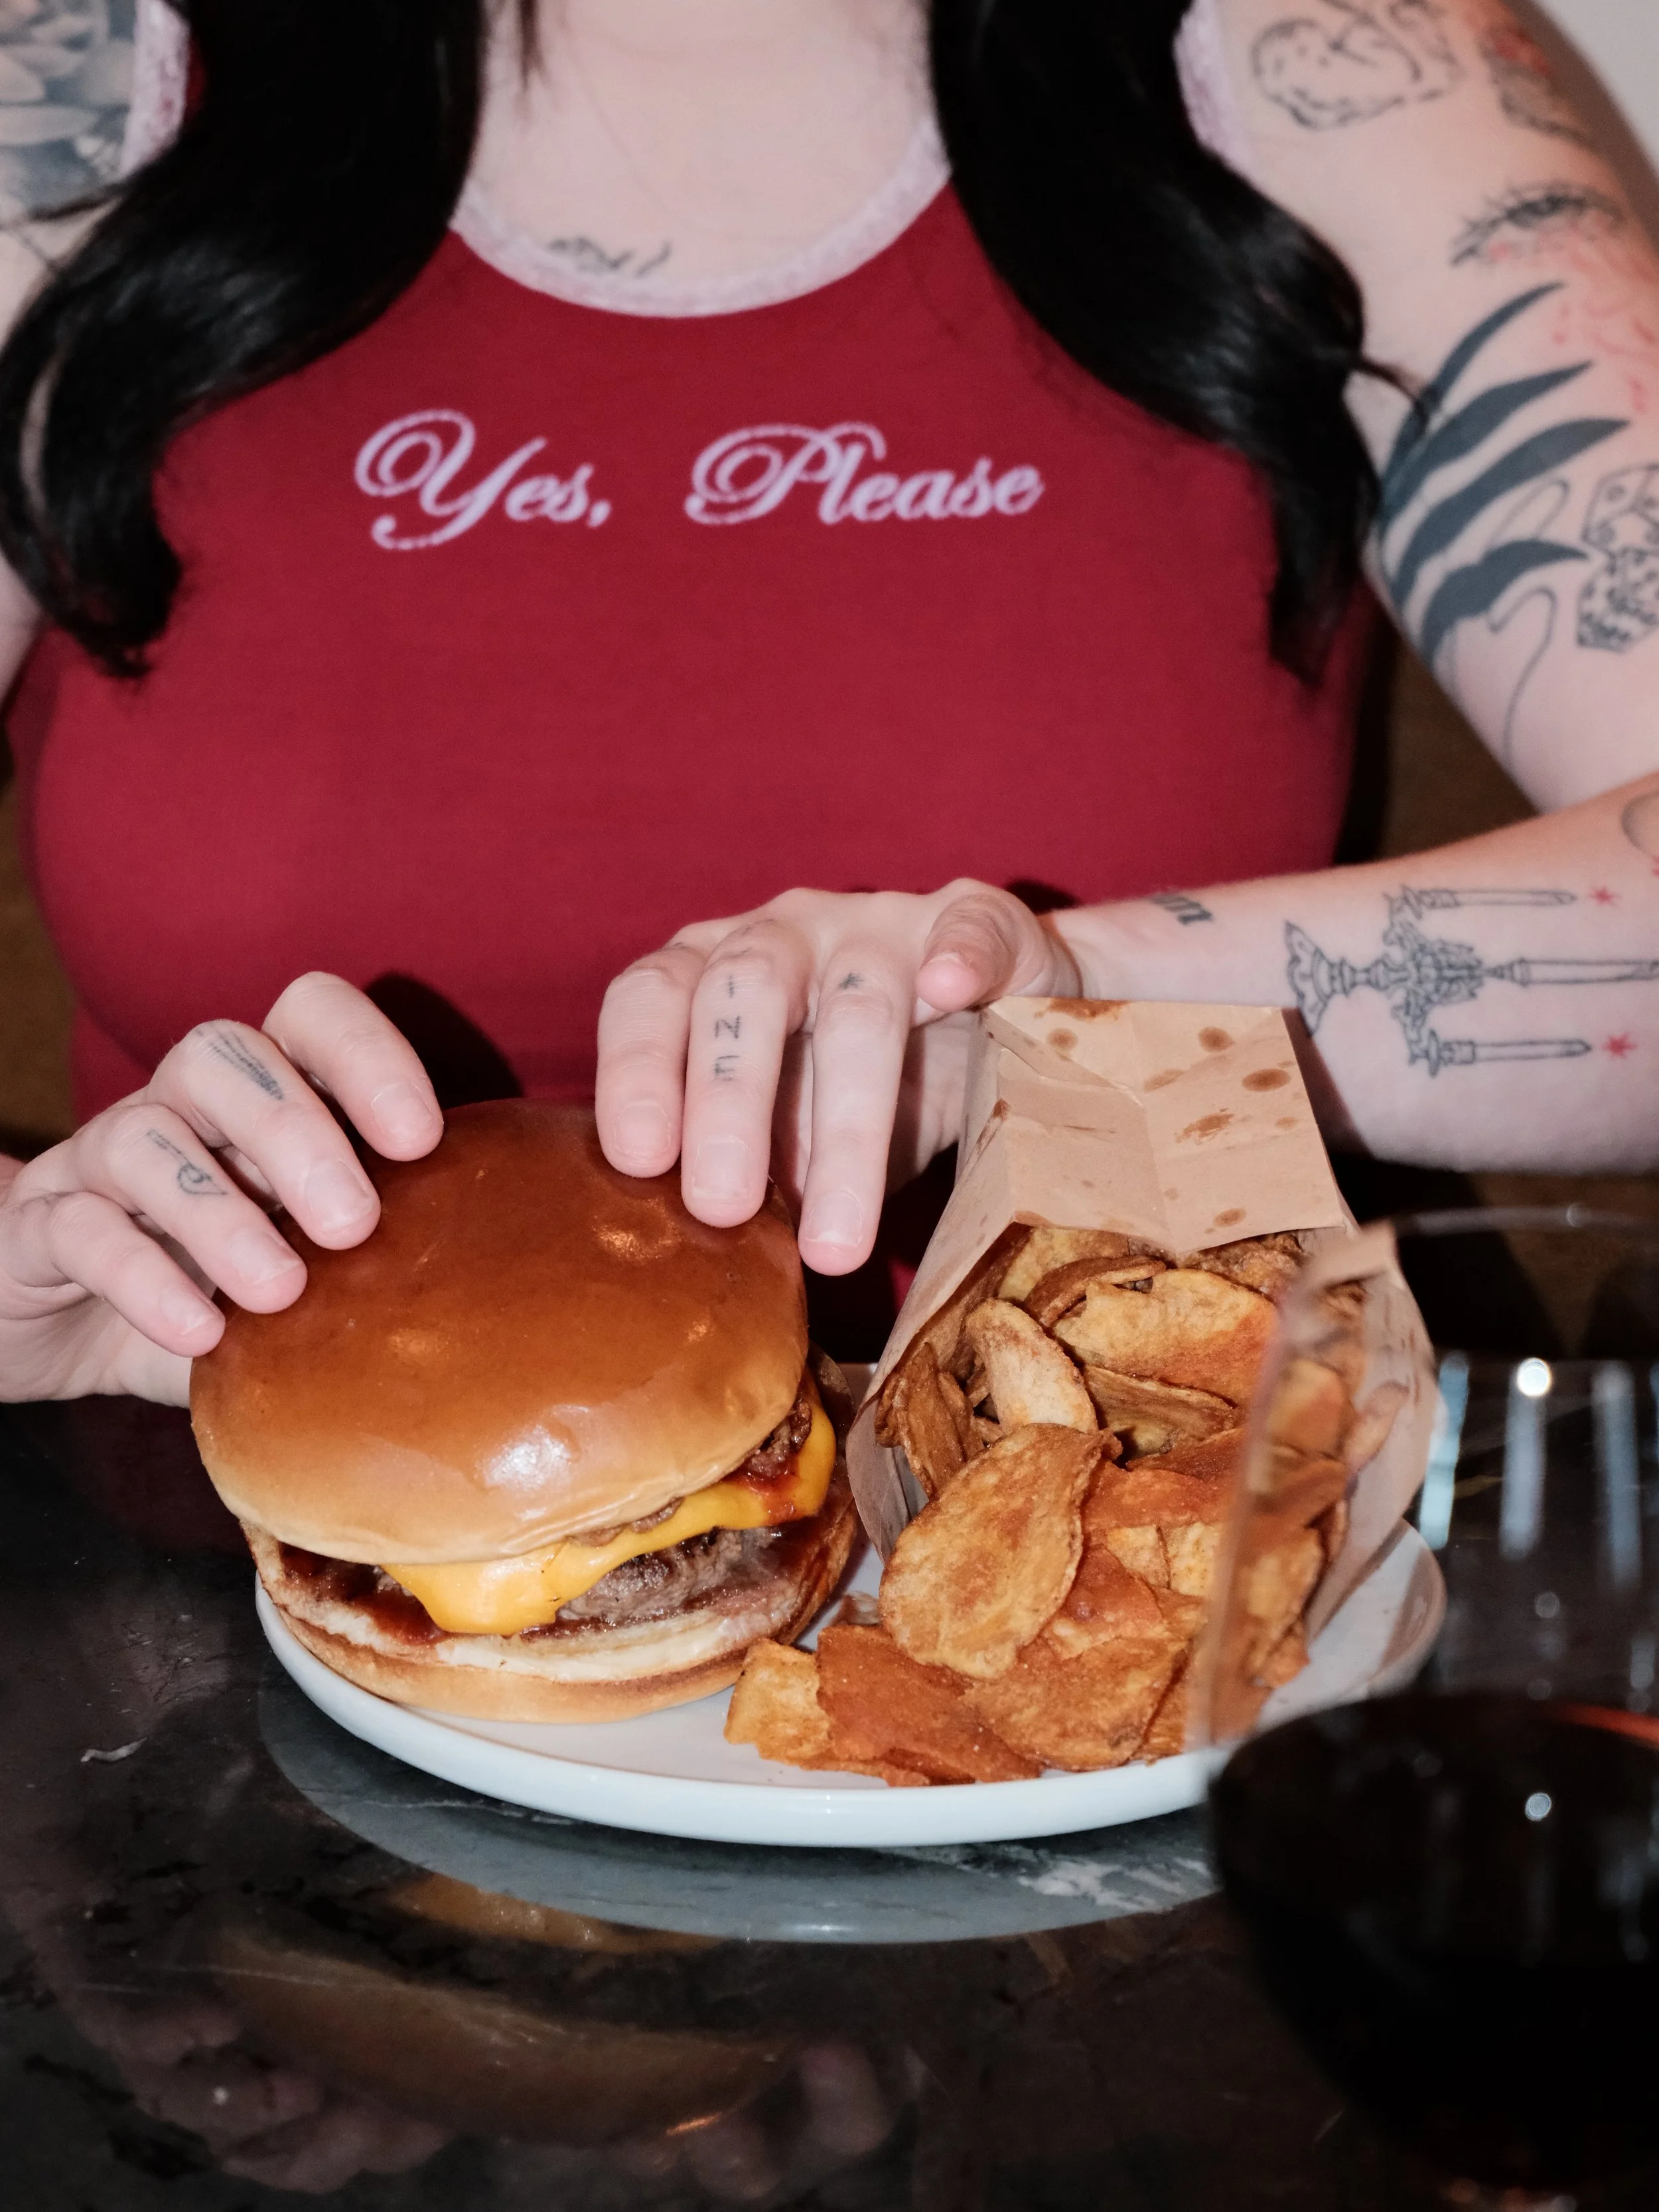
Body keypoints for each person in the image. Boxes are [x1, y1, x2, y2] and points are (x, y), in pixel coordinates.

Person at [0, 0, 1654, 1404]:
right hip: (215, 1576)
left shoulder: (1334, 61)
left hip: (1178, 1542)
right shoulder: (70, 86)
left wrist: (1070, 1005)